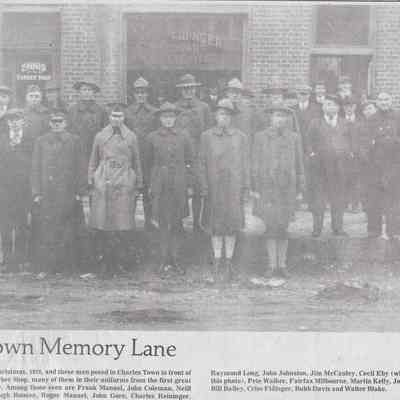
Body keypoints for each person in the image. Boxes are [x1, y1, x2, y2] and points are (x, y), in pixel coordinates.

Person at [88, 103, 142, 276]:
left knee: (122, 224)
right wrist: (92, 180)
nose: (116, 119)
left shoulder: (131, 137)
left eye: (119, 116)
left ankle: (120, 263)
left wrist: (138, 182)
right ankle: (105, 263)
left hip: (124, 181)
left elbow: (137, 161)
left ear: (124, 118)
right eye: (113, 116)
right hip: (104, 181)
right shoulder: (100, 136)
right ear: (109, 118)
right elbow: (93, 160)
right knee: (104, 224)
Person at [199, 98, 250, 281]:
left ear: (232, 118)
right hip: (214, 187)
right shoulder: (206, 136)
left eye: (228, 115)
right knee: (216, 226)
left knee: (231, 225)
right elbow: (202, 162)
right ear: (215, 115)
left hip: (233, 187)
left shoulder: (240, 137)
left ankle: (228, 262)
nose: (224, 118)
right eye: (221, 114)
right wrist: (204, 185)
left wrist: (245, 186)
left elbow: (245, 163)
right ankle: (217, 260)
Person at [31, 110, 87, 277]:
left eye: (60, 121)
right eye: (54, 121)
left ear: (66, 123)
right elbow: (35, 168)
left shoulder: (74, 141)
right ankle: (48, 267)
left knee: (68, 230)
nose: (57, 124)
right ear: (49, 123)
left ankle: (66, 267)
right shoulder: (41, 141)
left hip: (68, 193)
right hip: (47, 193)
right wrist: (36, 192)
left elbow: (81, 167)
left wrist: (80, 191)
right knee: (48, 230)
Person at [252, 106, 305, 278]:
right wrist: (255, 188)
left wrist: (299, 189)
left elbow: (299, 164)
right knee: (270, 226)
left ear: (288, 119)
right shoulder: (260, 137)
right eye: (277, 116)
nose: (280, 120)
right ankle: (271, 265)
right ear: (271, 118)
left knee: (283, 226)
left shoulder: (294, 138)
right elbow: (255, 164)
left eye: (283, 117)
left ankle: (282, 265)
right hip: (268, 188)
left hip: (287, 189)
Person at [145, 102, 193, 275]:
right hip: (160, 183)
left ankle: (176, 260)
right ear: (160, 118)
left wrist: (188, 184)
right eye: (165, 117)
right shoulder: (152, 137)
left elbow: (190, 160)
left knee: (177, 223)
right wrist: (152, 184)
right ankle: (162, 260)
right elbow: (148, 163)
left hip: (179, 183)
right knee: (162, 223)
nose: (168, 120)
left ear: (175, 118)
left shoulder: (184, 136)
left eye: (171, 116)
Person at [307, 94, 353, 237]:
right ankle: (317, 228)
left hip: (339, 168)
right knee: (318, 200)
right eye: (327, 104)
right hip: (320, 168)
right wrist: (312, 155)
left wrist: (349, 154)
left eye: (333, 104)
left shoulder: (345, 123)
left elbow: (350, 142)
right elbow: (308, 143)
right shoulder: (315, 123)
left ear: (338, 107)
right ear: (323, 107)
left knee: (338, 198)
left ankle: (337, 227)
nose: (329, 107)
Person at [175, 73, 212, 233]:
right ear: (181, 91)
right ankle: (179, 223)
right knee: (179, 189)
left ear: (195, 90)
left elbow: (209, 130)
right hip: (180, 155)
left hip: (198, 154)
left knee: (198, 190)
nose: (188, 92)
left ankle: (198, 222)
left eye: (191, 89)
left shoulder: (204, 107)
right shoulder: (175, 107)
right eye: (185, 89)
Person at [363, 92, 400, 238]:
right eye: (381, 100)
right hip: (375, 166)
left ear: (392, 100)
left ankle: (394, 230)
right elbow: (366, 141)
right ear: (377, 102)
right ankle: (374, 230)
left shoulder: (398, 117)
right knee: (374, 199)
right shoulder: (371, 119)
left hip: (394, 164)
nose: (384, 102)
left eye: (386, 99)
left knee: (394, 198)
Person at [0, 109, 33, 269]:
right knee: (5, 225)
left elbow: (33, 165)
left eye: (17, 119)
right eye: (11, 120)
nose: (14, 122)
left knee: (21, 224)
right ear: (7, 123)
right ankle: (6, 259)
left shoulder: (30, 140)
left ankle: (20, 259)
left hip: (23, 189)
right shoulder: (1, 140)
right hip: (4, 190)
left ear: (23, 121)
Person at [125, 76, 158, 231]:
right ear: (133, 94)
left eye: (143, 92)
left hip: (149, 158)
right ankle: (128, 224)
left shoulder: (154, 112)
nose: (140, 95)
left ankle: (149, 224)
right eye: (138, 92)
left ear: (147, 94)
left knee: (148, 194)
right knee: (130, 192)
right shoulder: (127, 112)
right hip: (131, 159)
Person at [67, 78, 108, 160]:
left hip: (95, 147)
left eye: (89, 90)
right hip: (77, 148)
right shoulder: (72, 110)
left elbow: (105, 130)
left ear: (94, 92)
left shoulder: (101, 110)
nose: (87, 92)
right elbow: (68, 130)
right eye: (84, 89)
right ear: (79, 92)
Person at [225, 78, 264, 148]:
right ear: (227, 94)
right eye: (231, 92)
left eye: (237, 92)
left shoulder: (250, 112)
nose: (235, 95)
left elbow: (254, 134)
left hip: (244, 149)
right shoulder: (221, 111)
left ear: (241, 94)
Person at [342, 95, 363, 213]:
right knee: (343, 179)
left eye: (351, 106)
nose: (349, 109)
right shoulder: (339, 120)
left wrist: (356, 152)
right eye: (346, 106)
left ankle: (355, 204)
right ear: (343, 108)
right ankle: (344, 204)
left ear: (355, 107)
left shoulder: (360, 121)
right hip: (343, 156)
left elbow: (362, 138)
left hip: (357, 156)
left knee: (356, 180)